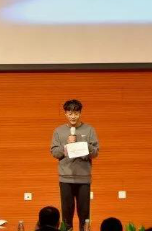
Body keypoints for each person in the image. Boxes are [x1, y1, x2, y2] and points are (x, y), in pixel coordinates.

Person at [50, 99, 100, 231]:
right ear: (65, 113)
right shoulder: (59, 131)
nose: (73, 116)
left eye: (76, 113)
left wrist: (84, 144)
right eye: (70, 113)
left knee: (84, 215)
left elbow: (95, 153)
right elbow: (54, 152)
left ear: (80, 113)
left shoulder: (89, 130)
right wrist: (66, 145)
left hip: (84, 178)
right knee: (67, 215)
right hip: (65, 178)